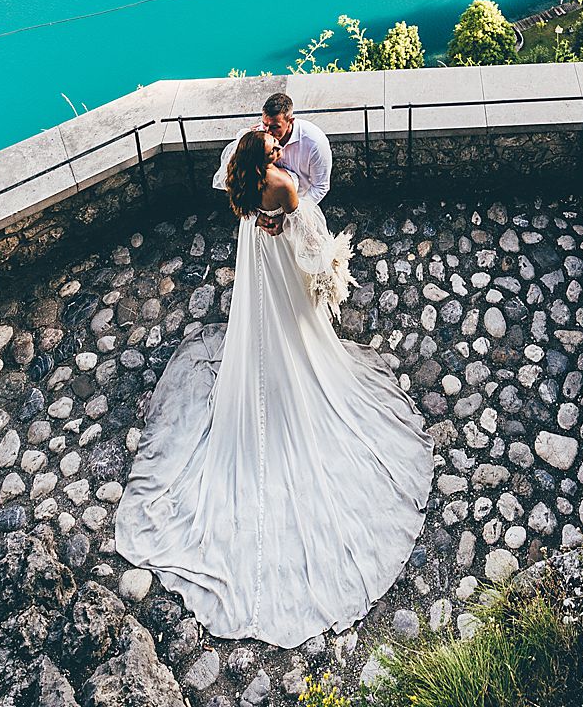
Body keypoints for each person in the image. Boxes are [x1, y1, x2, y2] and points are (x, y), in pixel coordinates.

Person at [114, 122, 433, 647]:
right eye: (272, 148)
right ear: (263, 159)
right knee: (294, 326)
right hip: (283, 261)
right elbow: (310, 236)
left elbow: (255, 206)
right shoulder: (283, 184)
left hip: (258, 258)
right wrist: (329, 268)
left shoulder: (239, 182)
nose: (280, 148)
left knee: (262, 324)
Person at [212, 90, 332, 218]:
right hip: (262, 209)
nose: (268, 131)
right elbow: (239, 177)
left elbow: (320, 187)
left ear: (290, 121)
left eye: (275, 127)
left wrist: (292, 215)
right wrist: (257, 217)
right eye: (265, 124)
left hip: (300, 206)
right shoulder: (258, 137)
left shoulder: (315, 143)